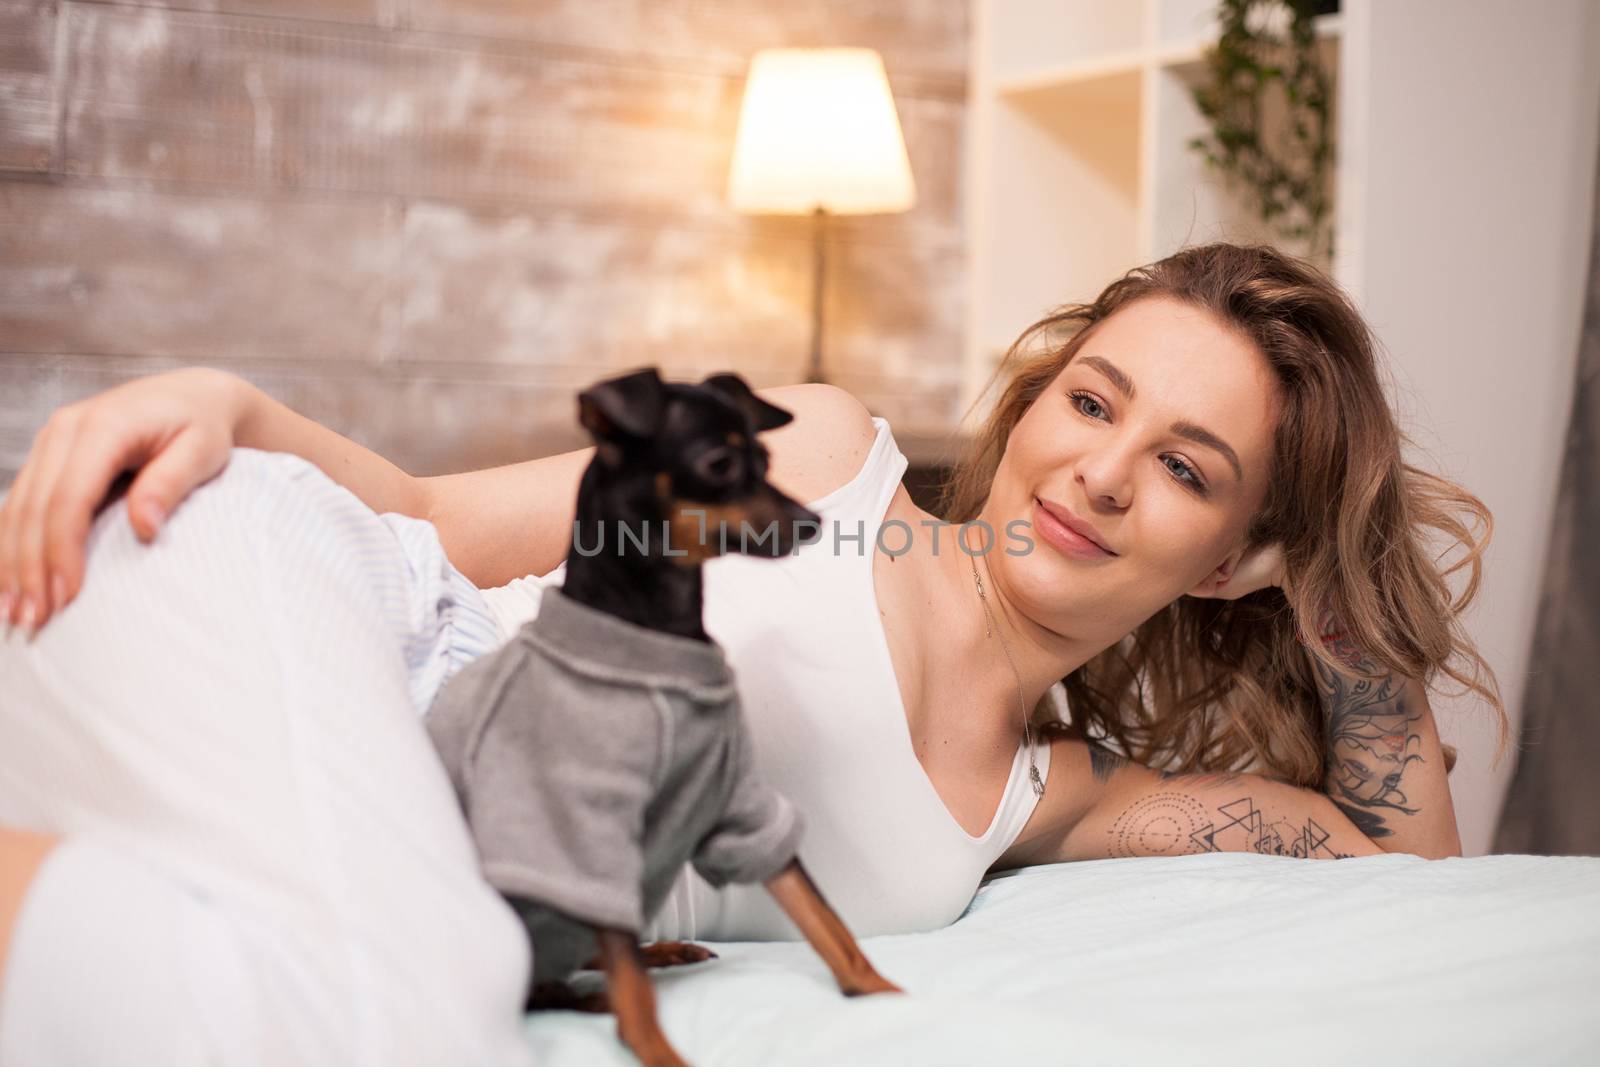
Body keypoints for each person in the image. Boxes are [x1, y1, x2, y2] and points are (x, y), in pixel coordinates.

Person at [0, 243, 1506, 1064]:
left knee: (324, 986)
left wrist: (1344, 609)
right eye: (1094, 402)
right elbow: (425, 518)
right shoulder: (832, 462)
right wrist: (224, 402)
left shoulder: (1044, 799)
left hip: (305, 813)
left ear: (1236, 559)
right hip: (295, 600)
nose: (1103, 473)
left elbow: (1399, 861)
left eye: (1188, 470)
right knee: (428, 992)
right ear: (1039, 401)